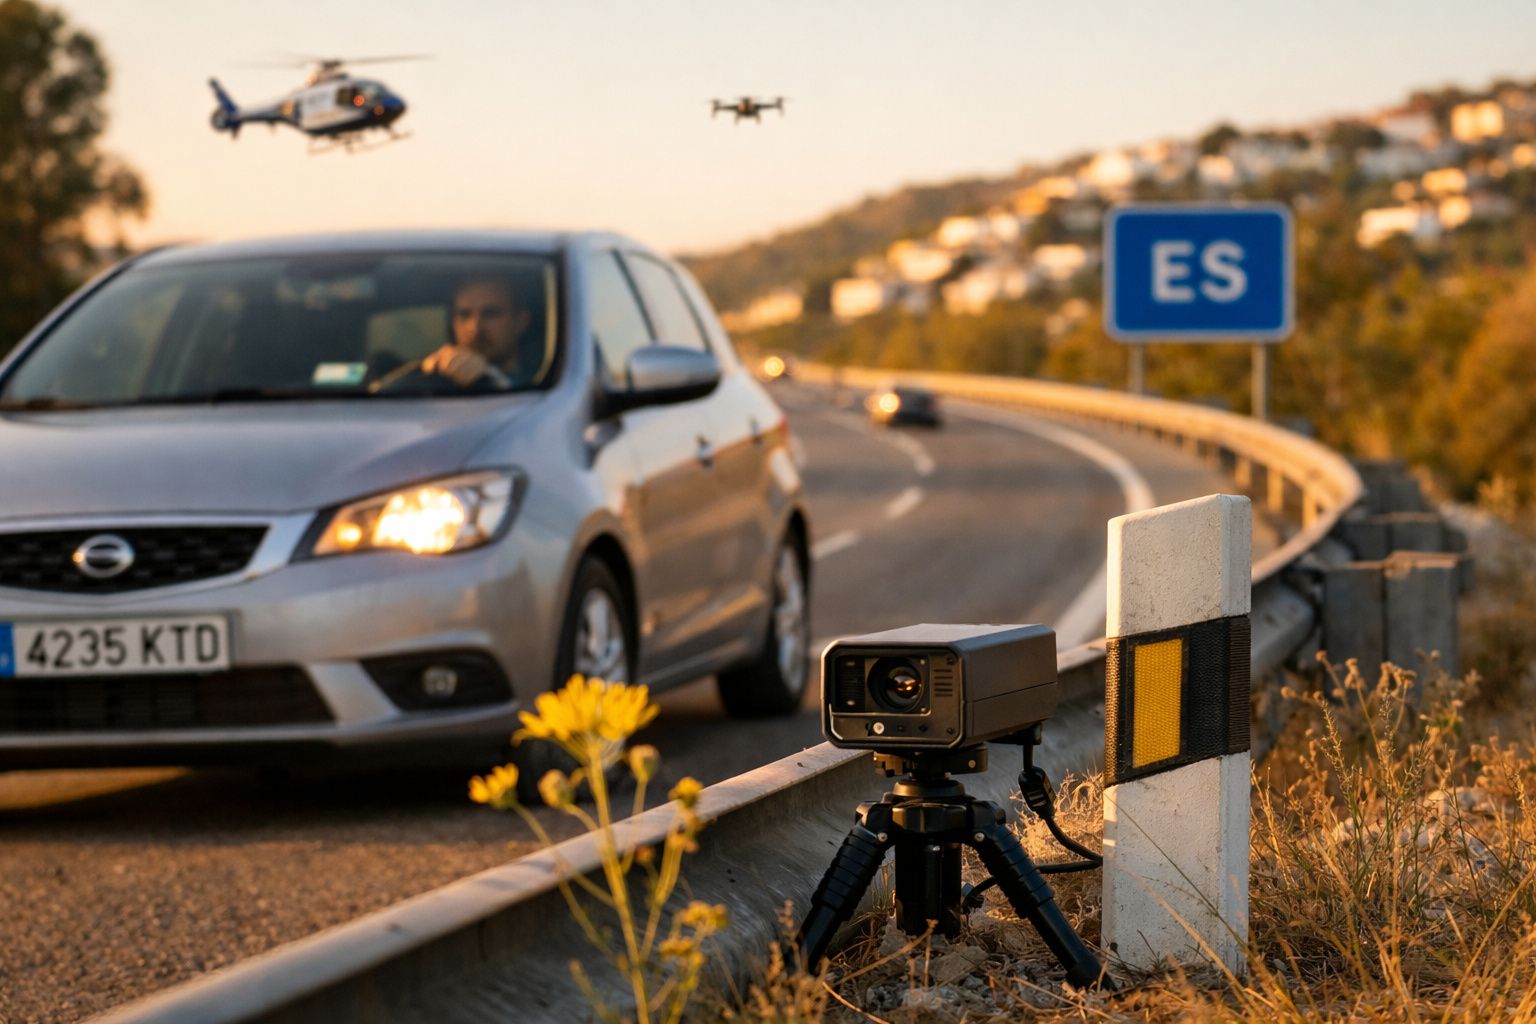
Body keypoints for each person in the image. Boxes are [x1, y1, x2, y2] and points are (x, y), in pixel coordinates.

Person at [421, 274, 533, 388]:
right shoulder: (433, 387)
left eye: (490, 314)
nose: (474, 328)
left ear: (521, 321)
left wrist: (491, 377)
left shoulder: (544, 386)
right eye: (464, 315)